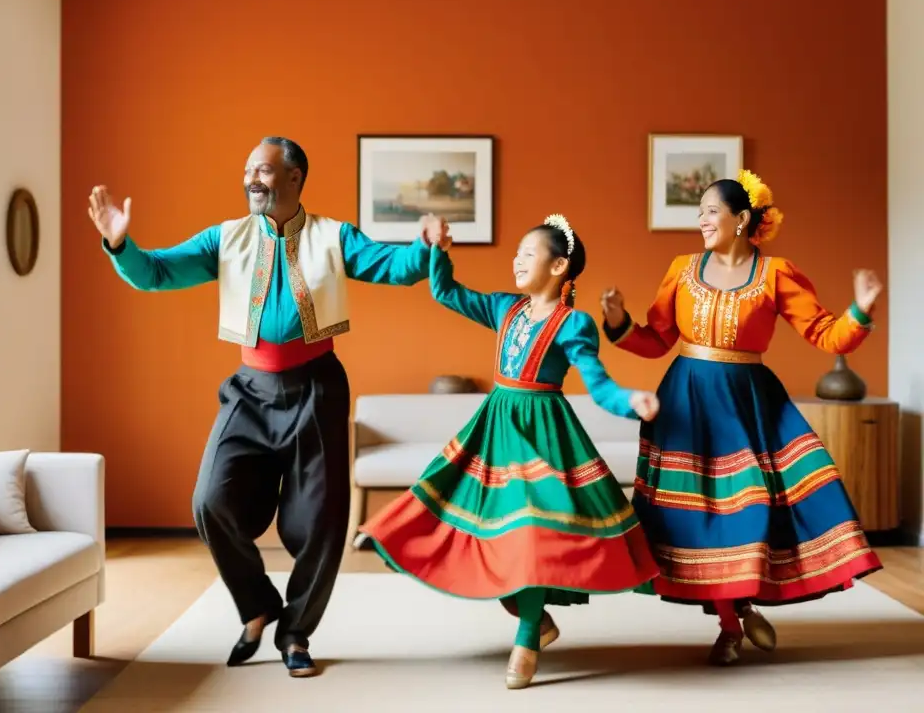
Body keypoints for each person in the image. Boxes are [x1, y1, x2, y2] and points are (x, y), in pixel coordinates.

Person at [88, 136, 448, 678]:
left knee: (324, 524)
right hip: (250, 392)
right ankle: (257, 605)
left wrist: (425, 250)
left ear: (296, 177)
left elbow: (393, 265)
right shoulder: (225, 238)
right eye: (248, 169)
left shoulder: (333, 236)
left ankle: (296, 632)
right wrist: (121, 245)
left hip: (318, 389)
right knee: (210, 500)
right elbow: (157, 272)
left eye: (264, 169)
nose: (252, 179)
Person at [359, 214, 662, 690]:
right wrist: (438, 250)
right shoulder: (505, 308)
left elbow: (599, 385)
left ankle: (527, 638)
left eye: (528, 252)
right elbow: (446, 292)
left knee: (533, 533)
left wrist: (631, 402)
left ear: (560, 265)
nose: (516, 259)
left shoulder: (573, 323)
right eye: (516, 252)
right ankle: (535, 617)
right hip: (494, 430)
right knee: (491, 532)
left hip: (544, 435)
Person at [600, 170, 884, 666]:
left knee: (747, 513)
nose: (702, 221)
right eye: (700, 212)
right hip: (686, 404)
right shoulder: (681, 268)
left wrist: (859, 310)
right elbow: (655, 341)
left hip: (749, 406)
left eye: (711, 211)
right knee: (693, 521)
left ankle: (740, 609)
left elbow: (826, 335)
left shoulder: (777, 273)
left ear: (741, 219)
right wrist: (619, 321)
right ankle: (732, 623)